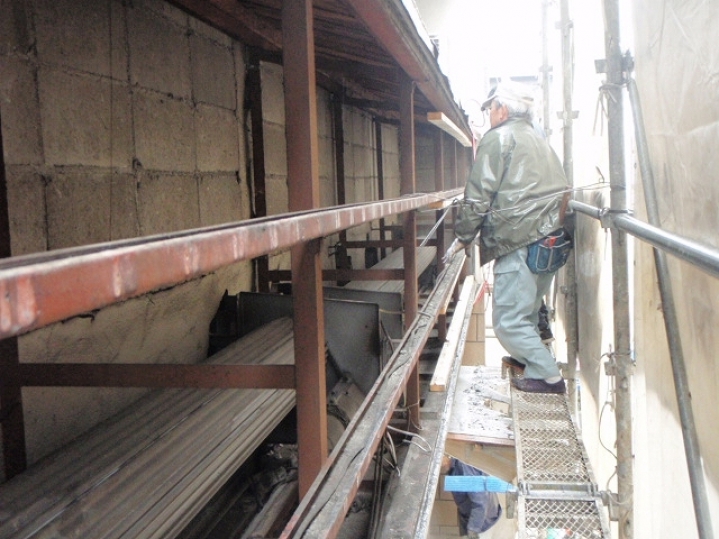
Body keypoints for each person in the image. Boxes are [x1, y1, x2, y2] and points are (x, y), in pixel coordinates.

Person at [444, 81, 569, 393]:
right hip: (549, 237)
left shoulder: (499, 138)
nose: (488, 115)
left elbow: (478, 194)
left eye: (490, 108)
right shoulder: (536, 136)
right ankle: (530, 361)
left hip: (520, 239)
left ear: (502, 108)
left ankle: (547, 376)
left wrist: (463, 235)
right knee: (525, 310)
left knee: (508, 321)